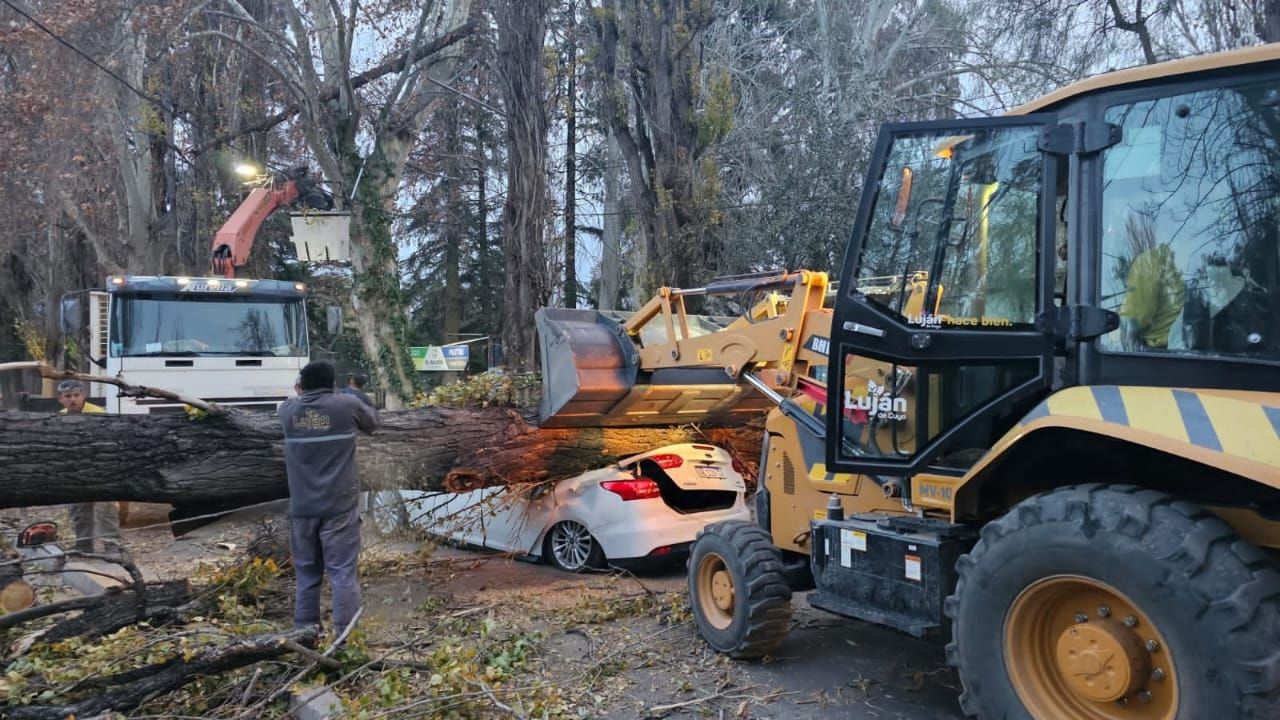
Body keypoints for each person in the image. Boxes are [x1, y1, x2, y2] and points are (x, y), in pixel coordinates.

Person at [279, 360, 380, 636]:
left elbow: (301, 404)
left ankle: (305, 634)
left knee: (306, 575)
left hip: (302, 508)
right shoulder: (345, 405)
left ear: (300, 385)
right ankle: (346, 641)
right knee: (342, 574)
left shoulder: (286, 411)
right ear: (333, 383)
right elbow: (374, 423)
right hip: (339, 507)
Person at [56, 379, 119, 554]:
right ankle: (83, 545)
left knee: (106, 508)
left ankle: (112, 545)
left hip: (100, 466)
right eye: (68, 396)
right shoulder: (59, 418)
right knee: (79, 509)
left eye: (76, 395)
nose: (73, 399)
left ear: (83, 395)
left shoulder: (98, 414)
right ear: (60, 399)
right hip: (75, 469)